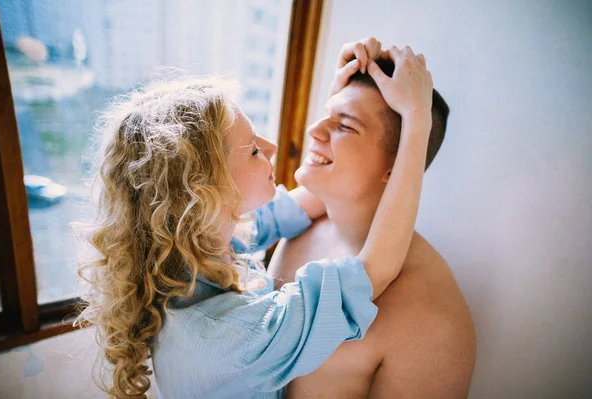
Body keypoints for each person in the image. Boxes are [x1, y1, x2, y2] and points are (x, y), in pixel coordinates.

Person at [73, 40, 433, 399]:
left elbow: (313, 197)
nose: (272, 147)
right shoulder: (230, 336)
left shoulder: (193, 245)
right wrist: (417, 119)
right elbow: (374, 271)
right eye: (255, 150)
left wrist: (339, 104)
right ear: (207, 192)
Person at [267, 39, 476, 398]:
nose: (313, 132)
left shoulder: (432, 320)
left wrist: (416, 118)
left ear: (397, 165)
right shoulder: (301, 226)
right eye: (326, 117)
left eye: (344, 127)